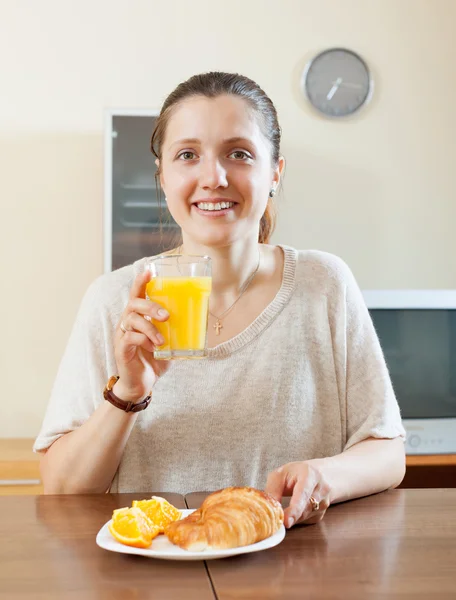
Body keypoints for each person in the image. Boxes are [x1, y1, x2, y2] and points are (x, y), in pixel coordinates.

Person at [35, 72, 406, 528]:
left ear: (274, 172)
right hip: (154, 578)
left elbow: (387, 450)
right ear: (164, 176)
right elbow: (62, 488)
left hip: (297, 574)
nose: (213, 177)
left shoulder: (324, 283)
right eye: (188, 155)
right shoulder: (113, 300)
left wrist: (324, 475)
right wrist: (128, 394)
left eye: (239, 154)